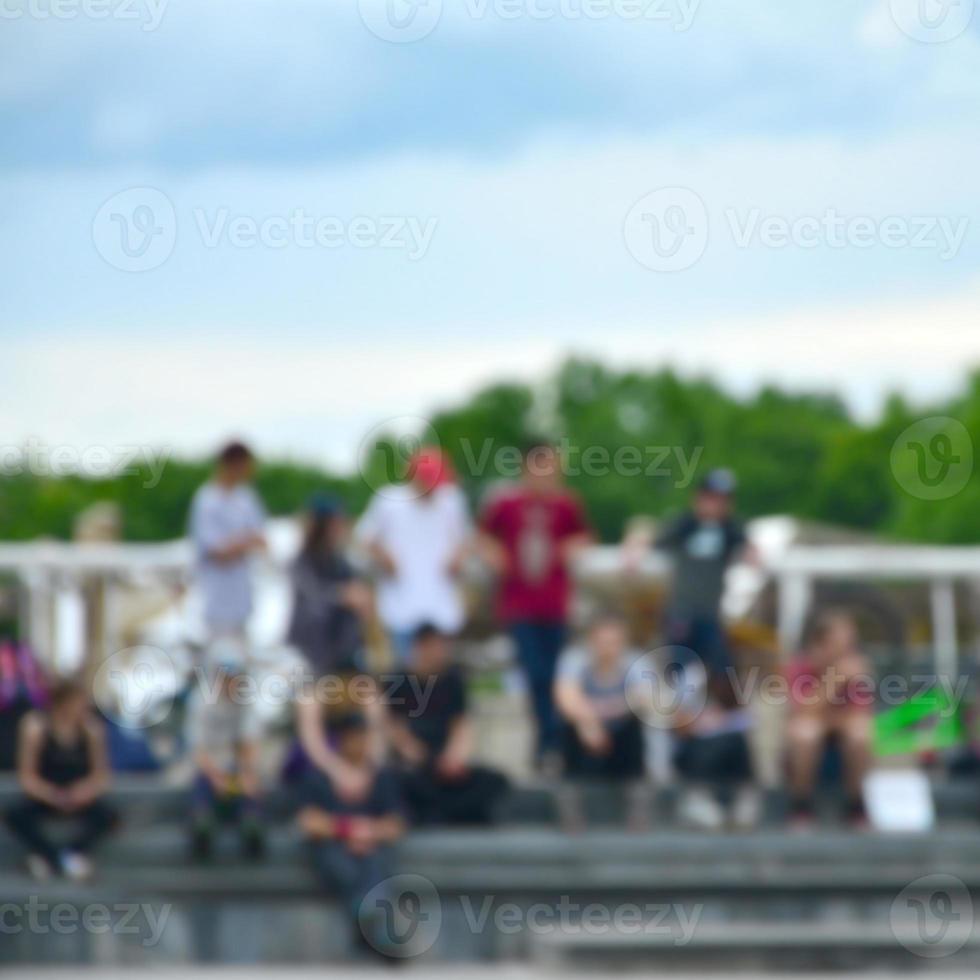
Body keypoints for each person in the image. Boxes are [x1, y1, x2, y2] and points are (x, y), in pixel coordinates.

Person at [479, 439, 591, 767]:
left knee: (555, 674)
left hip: (554, 603)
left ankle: (548, 743)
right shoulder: (507, 504)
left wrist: (571, 548)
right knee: (536, 672)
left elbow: (583, 535)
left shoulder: (566, 504)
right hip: (519, 604)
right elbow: (483, 535)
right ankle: (549, 739)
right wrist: (495, 555)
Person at [296, 713, 407, 958]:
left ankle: (367, 925)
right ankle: (375, 928)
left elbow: (396, 824)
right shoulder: (320, 776)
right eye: (355, 738)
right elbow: (309, 822)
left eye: (364, 737)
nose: (361, 743)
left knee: (376, 863)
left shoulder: (381, 777)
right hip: (334, 849)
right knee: (342, 866)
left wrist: (369, 832)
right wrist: (348, 830)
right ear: (342, 740)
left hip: (371, 848)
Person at [355, 447, 471, 664]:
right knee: (407, 668)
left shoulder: (452, 501)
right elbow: (365, 539)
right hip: (402, 603)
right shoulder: (388, 501)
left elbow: (465, 539)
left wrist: (457, 558)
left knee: (442, 669)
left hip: (441, 601)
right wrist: (384, 557)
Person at [385, 624, 508, 826]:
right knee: (405, 784)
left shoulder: (452, 680)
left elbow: (460, 724)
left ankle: (450, 813)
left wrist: (453, 757)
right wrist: (427, 760)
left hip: (447, 761)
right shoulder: (397, 681)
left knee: (494, 781)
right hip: (417, 764)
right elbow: (395, 730)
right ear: (420, 647)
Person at [4, 679, 117, 881]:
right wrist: (51, 794)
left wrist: (83, 792)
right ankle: (53, 856)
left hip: (78, 792)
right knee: (16, 816)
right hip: (47, 792)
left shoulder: (91, 729)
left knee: (107, 817)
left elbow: (101, 774)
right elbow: (27, 775)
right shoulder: (36, 726)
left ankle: (69, 853)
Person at [553, 611, 651, 831]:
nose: (608, 649)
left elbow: (644, 697)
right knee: (570, 725)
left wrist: (603, 711)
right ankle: (571, 802)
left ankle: (637, 801)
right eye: (603, 642)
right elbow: (565, 698)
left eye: (615, 643)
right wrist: (589, 723)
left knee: (632, 726)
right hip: (586, 736)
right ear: (592, 642)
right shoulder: (575, 659)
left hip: (621, 737)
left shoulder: (634, 661)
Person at [655, 468, 752, 675]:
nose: (717, 505)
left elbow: (750, 548)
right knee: (678, 666)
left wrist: (751, 552)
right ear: (699, 498)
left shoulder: (730, 529)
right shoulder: (685, 524)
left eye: (723, 500)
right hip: (682, 610)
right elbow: (655, 538)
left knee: (722, 668)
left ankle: (717, 704)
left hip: (710, 613)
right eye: (712, 498)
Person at [785, 610, 874, 827]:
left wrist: (829, 716)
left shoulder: (856, 668)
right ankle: (800, 805)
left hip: (840, 730)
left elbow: (861, 714)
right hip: (810, 732)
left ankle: (856, 805)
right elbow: (802, 712)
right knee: (806, 733)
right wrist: (836, 679)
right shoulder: (799, 667)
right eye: (842, 642)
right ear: (820, 643)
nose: (848, 649)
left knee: (861, 733)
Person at [186, 644, 265, 861]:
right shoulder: (201, 701)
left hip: (234, 767)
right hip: (209, 768)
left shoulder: (246, 701)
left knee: (251, 794)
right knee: (202, 790)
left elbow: (249, 743)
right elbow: (198, 750)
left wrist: (247, 774)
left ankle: (252, 828)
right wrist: (216, 777)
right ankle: (202, 831)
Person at [668, 656, 760, 831]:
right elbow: (678, 724)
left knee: (735, 741)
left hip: (726, 754)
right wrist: (703, 722)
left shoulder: (737, 689)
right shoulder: (694, 679)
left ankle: (741, 799)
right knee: (708, 743)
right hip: (694, 752)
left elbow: (748, 720)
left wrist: (721, 721)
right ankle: (697, 798)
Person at [189, 440, 266, 641]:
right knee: (222, 663)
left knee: (241, 661)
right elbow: (215, 550)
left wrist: (239, 544)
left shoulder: (246, 497)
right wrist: (243, 542)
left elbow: (261, 540)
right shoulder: (207, 499)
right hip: (217, 598)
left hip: (243, 596)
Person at [288, 494, 372, 676]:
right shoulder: (302, 561)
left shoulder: (341, 561)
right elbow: (311, 595)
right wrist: (343, 595)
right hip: (310, 651)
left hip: (342, 651)